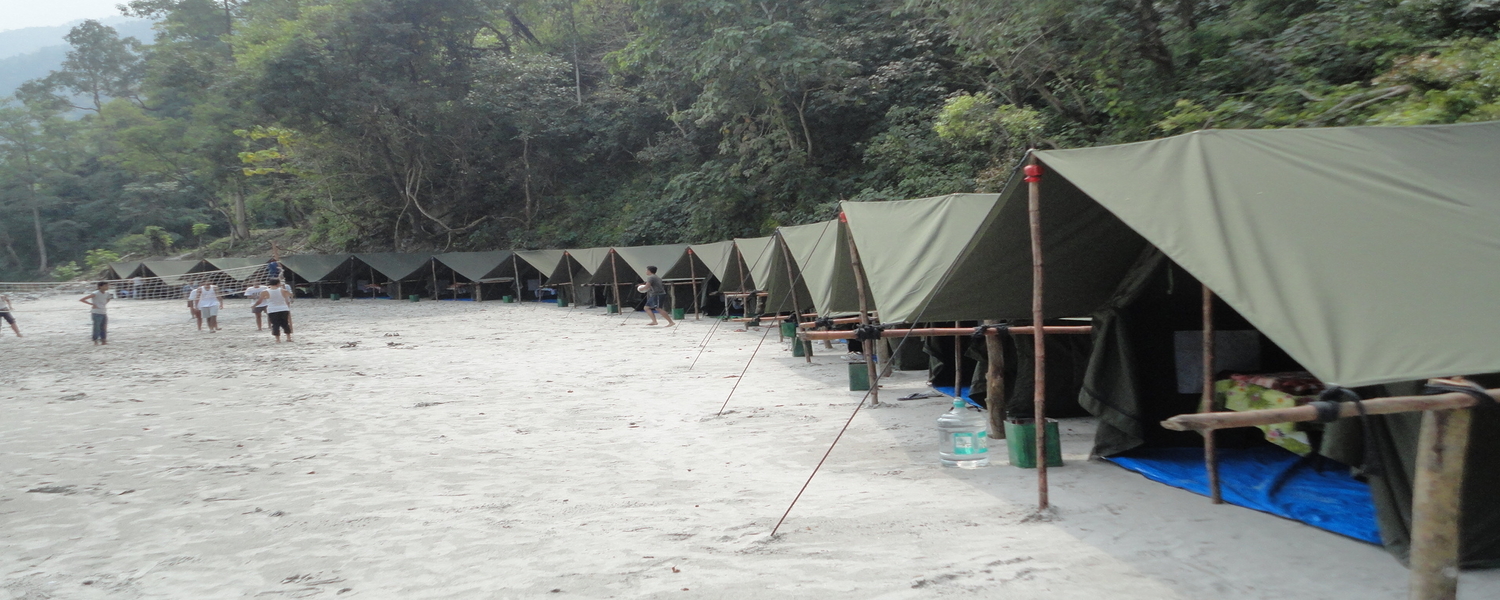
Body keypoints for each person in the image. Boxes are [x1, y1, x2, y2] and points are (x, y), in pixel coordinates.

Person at [258, 278, 294, 342]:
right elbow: (291, 294)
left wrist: (254, 306)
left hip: (272, 309)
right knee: (285, 323)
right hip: (283, 308)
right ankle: (288, 338)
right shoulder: (282, 290)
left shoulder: (265, 291)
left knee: (275, 324)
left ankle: (278, 339)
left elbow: (260, 301)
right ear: (278, 284)